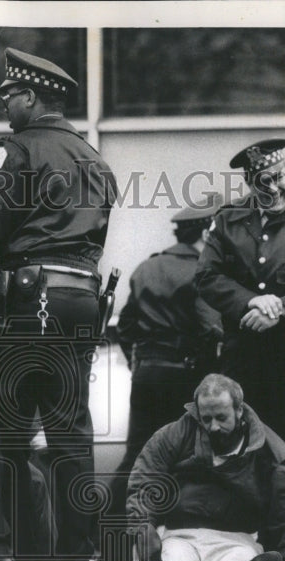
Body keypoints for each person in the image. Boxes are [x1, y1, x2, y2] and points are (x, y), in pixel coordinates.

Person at [0, 48, 117, 561]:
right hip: (80, 301)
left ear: (32, 97)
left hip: (27, 301)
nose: (3, 104)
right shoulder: (94, 158)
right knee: (71, 436)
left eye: (9, 95)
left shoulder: (13, 151)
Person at [195, 139, 285, 489]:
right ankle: (250, 535)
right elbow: (207, 275)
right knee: (245, 445)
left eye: (277, 177)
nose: (272, 188)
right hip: (247, 352)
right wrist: (250, 302)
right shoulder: (229, 219)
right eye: (262, 183)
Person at [127, 374, 285, 561]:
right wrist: (142, 526)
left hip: (236, 539)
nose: (213, 427)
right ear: (196, 412)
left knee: (239, 560)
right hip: (180, 535)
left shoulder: (272, 453)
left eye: (221, 417)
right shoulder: (173, 435)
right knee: (172, 560)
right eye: (206, 418)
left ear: (240, 410)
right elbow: (144, 482)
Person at [114, 202, 223, 517]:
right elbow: (210, 327)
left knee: (137, 454)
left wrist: (140, 362)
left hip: (146, 373)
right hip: (185, 377)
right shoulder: (202, 269)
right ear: (205, 232)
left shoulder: (147, 267)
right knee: (185, 455)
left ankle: (109, 534)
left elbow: (125, 327)